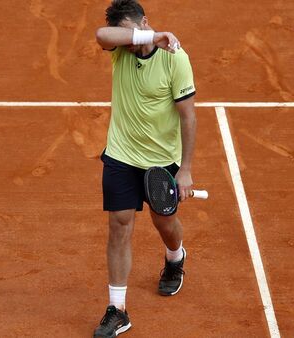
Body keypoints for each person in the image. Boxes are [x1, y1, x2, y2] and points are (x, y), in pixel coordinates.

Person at [93, 0, 197, 337]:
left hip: (161, 160)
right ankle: (117, 309)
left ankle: (175, 257)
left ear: (144, 21)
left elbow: (188, 117)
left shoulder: (175, 58)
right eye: (123, 34)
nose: (126, 38)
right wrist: (138, 37)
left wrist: (185, 169)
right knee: (119, 226)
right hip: (121, 155)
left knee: (164, 222)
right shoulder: (120, 50)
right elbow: (101, 34)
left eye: (132, 29)